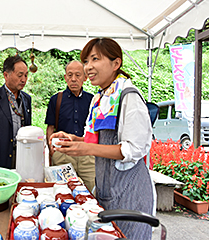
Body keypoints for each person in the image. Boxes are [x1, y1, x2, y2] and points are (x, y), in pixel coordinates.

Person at [49, 38, 154, 240]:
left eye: (95, 59)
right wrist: (74, 139)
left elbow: (131, 150)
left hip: (130, 193)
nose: (88, 67)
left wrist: (86, 149)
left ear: (116, 63)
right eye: (86, 61)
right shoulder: (101, 98)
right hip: (108, 190)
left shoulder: (128, 96)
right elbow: (97, 142)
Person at [45, 60, 95, 190]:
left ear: (85, 78)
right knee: (62, 190)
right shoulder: (56, 99)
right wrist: (52, 150)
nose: (73, 79)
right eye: (70, 75)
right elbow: (50, 127)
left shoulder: (93, 100)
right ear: (65, 77)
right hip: (63, 153)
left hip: (87, 154)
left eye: (78, 75)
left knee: (91, 191)